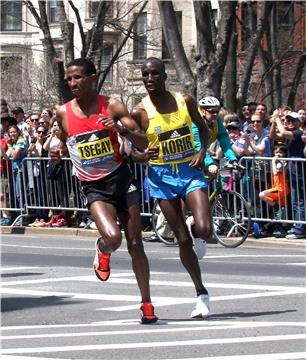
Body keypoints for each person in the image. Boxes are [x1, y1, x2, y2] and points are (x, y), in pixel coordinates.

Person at [53, 58, 157, 324]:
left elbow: (144, 141)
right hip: (94, 187)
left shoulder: (111, 106)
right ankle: (102, 249)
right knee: (113, 237)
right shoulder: (63, 112)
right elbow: (68, 141)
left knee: (136, 244)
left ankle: (146, 303)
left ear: (92, 78)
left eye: (77, 78)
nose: (72, 83)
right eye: (69, 79)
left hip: (121, 179)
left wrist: (119, 129)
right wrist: (60, 152)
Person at [131, 57, 211, 319]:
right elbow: (132, 151)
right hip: (161, 176)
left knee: (205, 229)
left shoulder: (184, 100)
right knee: (182, 239)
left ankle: (195, 228)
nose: (149, 78)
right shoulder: (139, 112)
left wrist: (202, 151)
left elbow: (203, 127)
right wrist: (143, 155)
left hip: (188, 170)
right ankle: (201, 294)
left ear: (165, 76)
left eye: (155, 73)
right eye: (145, 74)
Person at [270, 110, 306, 239]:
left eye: (292, 120)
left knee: (299, 200)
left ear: (298, 122)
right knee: (295, 200)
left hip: (300, 170)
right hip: (292, 170)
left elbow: (284, 133)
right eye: (287, 120)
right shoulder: (290, 134)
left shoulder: (298, 133)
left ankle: (300, 230)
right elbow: (273, 136)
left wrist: (278, 119)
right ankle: (297, 227)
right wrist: (274, 122)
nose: (289, 122)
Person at [196, 96, 238, 176]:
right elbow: (197, 144)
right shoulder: (195, 121)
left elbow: (224, 139)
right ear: (202, 110)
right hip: (189, 155)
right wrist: (209, 163)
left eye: (217, 111)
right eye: (212, 111)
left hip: (201, 155)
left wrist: (232, 159)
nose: (215, 114)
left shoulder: (217, 120)